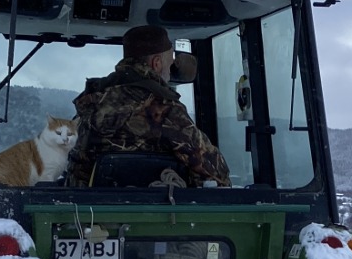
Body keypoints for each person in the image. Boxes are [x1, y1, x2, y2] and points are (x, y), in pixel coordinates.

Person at [68, 25, 230, 188]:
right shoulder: (164, 108)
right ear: (157, 63)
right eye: (170, 64)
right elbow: (215, 170)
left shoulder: (90, 101)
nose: (170, 72)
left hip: (88, 209)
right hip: (153, 210)